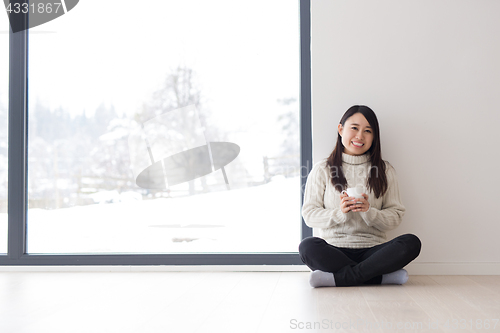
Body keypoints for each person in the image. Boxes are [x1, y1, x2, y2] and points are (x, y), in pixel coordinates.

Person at [298, 105, 421, 287]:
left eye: (368, 131)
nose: (360, 136)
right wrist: (339, 213)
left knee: (411, 243)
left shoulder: (385, 170)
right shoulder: (322, 169)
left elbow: (395, 216)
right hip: (334, 248)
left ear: (374, 137)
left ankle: (338, 278)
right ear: (341, 129)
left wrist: (369, 212)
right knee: (307, 246)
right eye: (354, 128)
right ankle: (379, 277)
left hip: (374, 251)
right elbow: (309, 214)